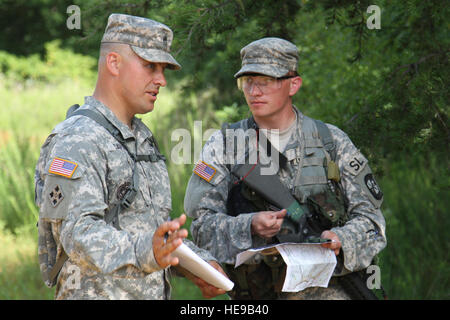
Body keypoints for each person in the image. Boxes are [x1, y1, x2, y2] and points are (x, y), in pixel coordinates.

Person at [35, 13, 226, 300]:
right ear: (114, 62)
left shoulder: (141, 138)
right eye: (150, 66)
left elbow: (146, 230)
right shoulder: (79, 139)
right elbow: (77, 234)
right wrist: (148, 251)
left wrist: (196, 265)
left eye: (163, 69)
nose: (161, 80)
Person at [184, 37, 387, 299]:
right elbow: (201, 230)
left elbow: (373, 223)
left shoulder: (331, 142)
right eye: (247, 81)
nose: (254, 91)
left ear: (293, 84)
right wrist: (250, 226)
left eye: (265, 81)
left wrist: (340, 239)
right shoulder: (224, 147)